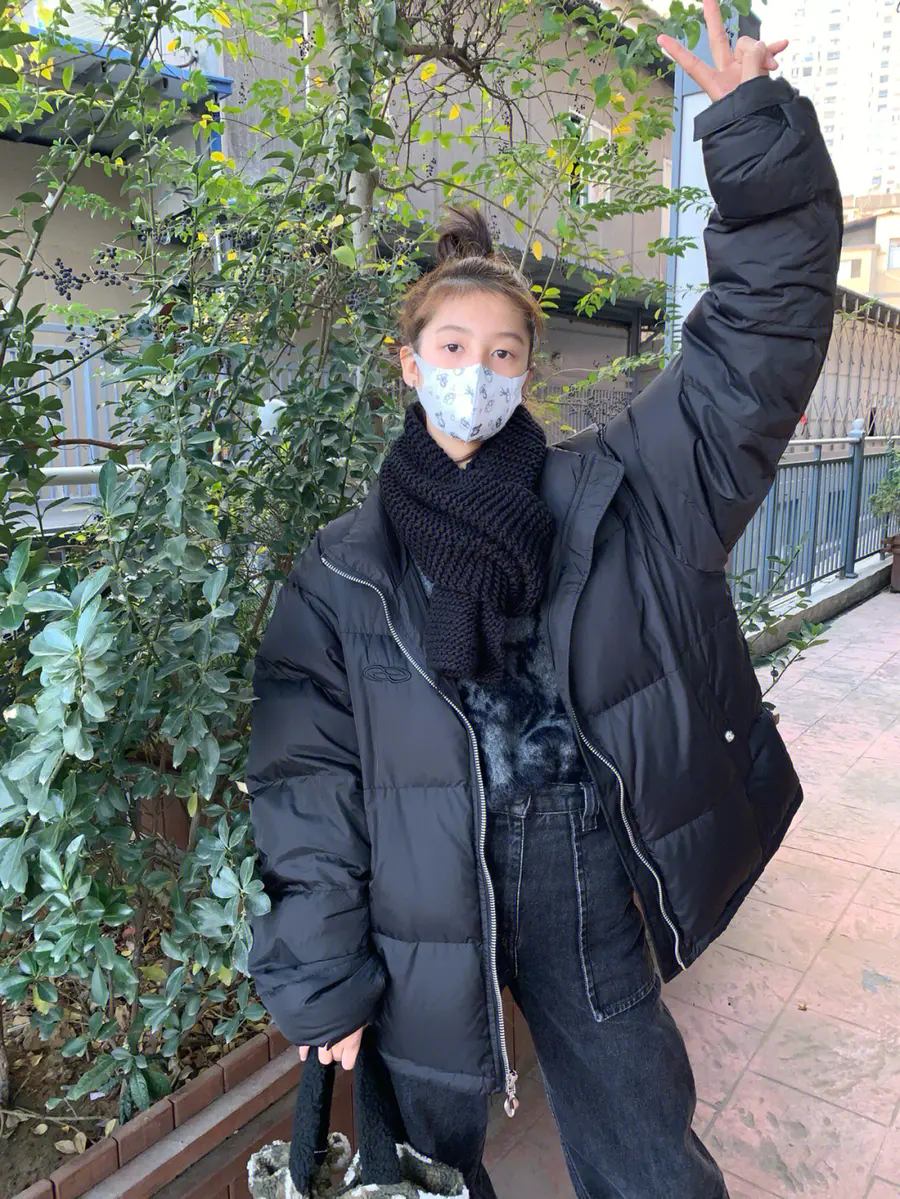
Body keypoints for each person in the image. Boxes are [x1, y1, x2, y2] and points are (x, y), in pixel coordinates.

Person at [244, 3, 843, 1194]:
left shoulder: (619, 493)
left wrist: (749, 132)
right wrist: (318, 974)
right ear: (409, 363)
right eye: (452, 347)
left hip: (577, 864)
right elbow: (307, 781)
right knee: (421, 1165)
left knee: (646, 1150)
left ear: (530, 369)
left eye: (504, 352)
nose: (477, 372)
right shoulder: (342, 567)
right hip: (417, 889)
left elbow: (752, 350)